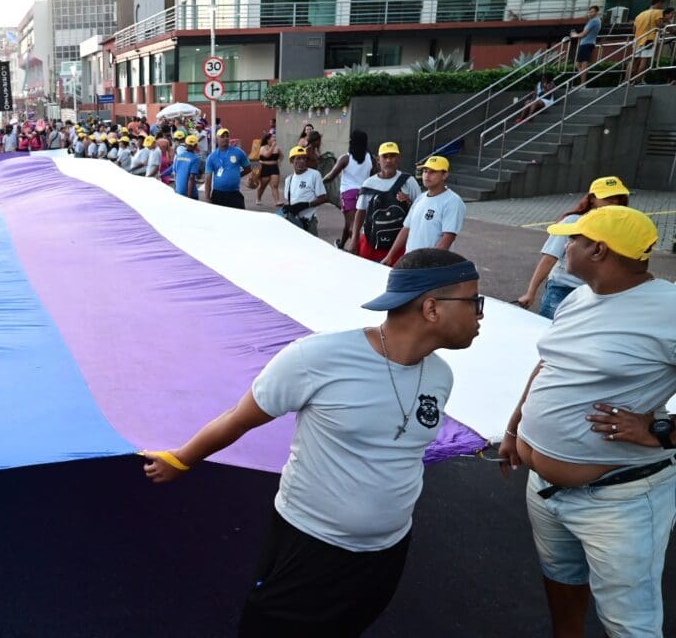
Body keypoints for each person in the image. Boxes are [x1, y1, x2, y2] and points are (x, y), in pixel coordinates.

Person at [143, 248, 484, 638]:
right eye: (474, 300)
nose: (480, 313)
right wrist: (182, 459)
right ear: (432, 308)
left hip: (386, 552)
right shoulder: (317, 358)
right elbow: (238, 418)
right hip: (309, 546)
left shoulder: (441, 376)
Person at [496, 206, 675, 638]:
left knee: (628, 624)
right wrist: (514, 427)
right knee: (561, 584)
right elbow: (548, 366)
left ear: (598, 250)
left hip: (619, 500)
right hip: (543, 488)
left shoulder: (668, 308)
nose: (565, 247)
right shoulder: (579, 295)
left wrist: (660, 430)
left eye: (572, 240)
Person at [516, 176, 631, 318]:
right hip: (563, 289)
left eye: (618, 197)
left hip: (598, 294)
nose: (614, 202)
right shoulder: (572, 222)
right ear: (592, 199)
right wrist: (530, 292)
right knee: (553, 333)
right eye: (607, 198)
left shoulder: (622, 228)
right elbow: (549, 258)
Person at [382, 156, 465, 265]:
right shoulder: (420, 198)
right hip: (410, 262)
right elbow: (406, 229)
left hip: (432, 266)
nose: (426, 175)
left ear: (444, 175)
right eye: (425, 171)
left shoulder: (453, 201)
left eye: (433, 172)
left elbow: (448, 238)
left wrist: (429, 265)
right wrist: (390, 256)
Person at [350, 142, 421, 264]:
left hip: (399, 244)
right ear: (378, 159)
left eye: (392, 156)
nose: (389, 160)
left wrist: (408, 201)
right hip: (371, 242)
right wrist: (354, 240)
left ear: (398, 158)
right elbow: (360, 213)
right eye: (385, 156)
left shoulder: (409, 182)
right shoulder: (369, 183)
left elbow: (420, 210)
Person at [325, 130, 375, 249]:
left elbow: (331, 176)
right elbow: (375, 175)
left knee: (352, 225)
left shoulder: (345, 158)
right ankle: (341, 244)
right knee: (354, 224)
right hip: (365, 193)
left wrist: (319, 181)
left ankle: (356, 250)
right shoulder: (371, 158)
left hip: (348, 194)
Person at [279, 145, 328, 235]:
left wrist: (306, 205)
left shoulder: (314, 175)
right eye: (298, 158)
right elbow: (290, 200)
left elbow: (323, 198)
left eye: (304, 158)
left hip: (309, 222)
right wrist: (288, 207)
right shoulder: (288, 180)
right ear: (291, 161)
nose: (302, 161)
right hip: (294, 222)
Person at [204, 128, 251, 209]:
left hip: (234, 193)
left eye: (227, 136)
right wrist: (207, 198)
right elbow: (208, 179)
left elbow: (248, 168)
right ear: (217, 139)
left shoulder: (238, 152)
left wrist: (236, 175)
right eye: (222, 136)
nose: (225, 138)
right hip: (218, 194)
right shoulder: (211, 157)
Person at [631, 0, 666, 81]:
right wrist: (666, 25)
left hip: (637, 40)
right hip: (649, 39)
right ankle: (638, 80)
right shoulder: (658, 12)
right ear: (658, 3)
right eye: (662, 4)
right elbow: (659, 24)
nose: (662, 6)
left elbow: (633, 30)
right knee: (644, 61)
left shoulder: (640, 14)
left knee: (633, 61)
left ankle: (627, 80)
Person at [569, 6, 602, 85]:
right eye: (589, 12)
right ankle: (583, 82)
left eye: (592, 12)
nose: (590, 13)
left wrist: (575, 35)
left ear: (597, 12)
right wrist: (587, 17)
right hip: (586, 44)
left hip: (587, 44)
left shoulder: (594, 21)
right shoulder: (593, 21)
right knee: (578, 64)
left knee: (583, 64)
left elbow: (583, 34)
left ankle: (583, 83)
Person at [254, 134, 281, 207]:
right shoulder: (263, 148)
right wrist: (272, 147)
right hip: (264, 167)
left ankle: (277, 201)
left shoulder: (277, 148)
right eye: (273, 137)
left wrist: (278, 162)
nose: (274, 139)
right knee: (263, 186)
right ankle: (258, 198)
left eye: (275, 137)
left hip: (274, 167)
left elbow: (281, 156)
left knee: (274, 185)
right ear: (268, 140)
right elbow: (267, 155)